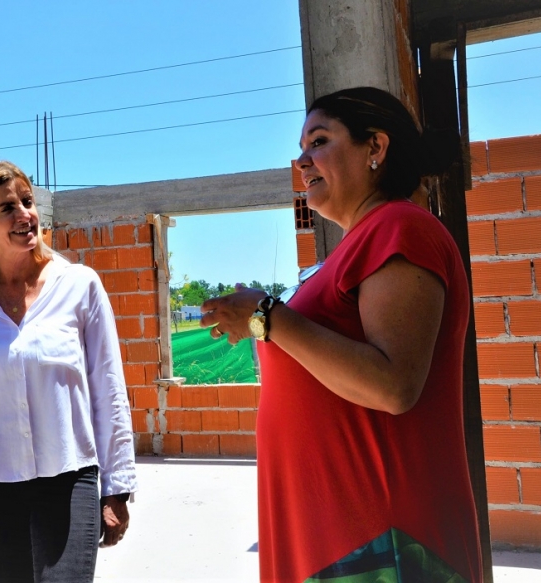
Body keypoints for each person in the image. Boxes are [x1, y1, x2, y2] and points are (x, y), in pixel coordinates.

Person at [201, 87, 483, 582]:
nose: (301, 160)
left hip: (379, 542)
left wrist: (267, 316)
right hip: (333, 533)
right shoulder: (354, 247)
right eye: (301, 147)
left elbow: (393, 385)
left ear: (375, 148)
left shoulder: (399, 228)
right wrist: (259, 320)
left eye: (319, 141)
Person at [0, 160, 137, 583]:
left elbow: (108, 388)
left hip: (69, 476)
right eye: (7, 207)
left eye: (28, 201)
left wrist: (117, 487)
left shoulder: (79, 284)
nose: (25, 214)